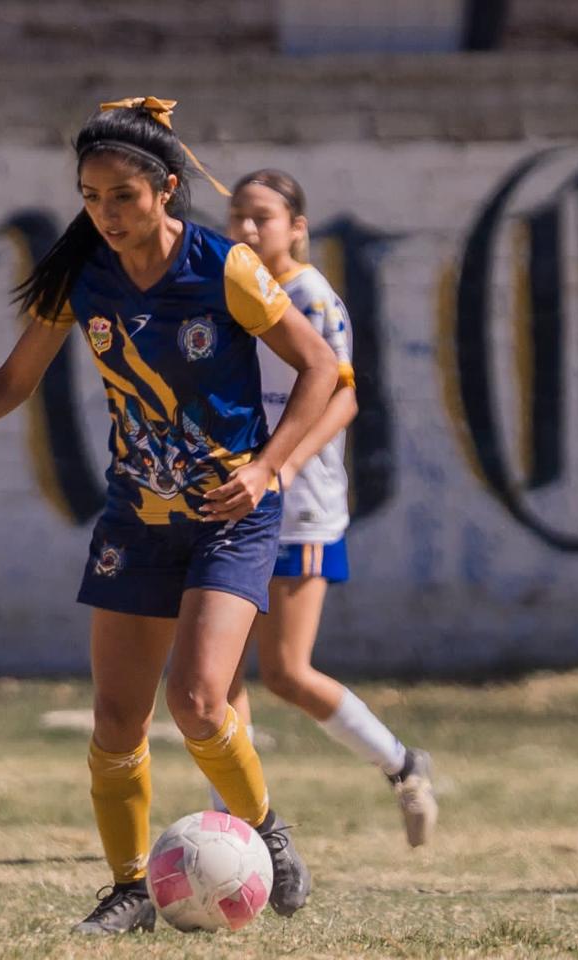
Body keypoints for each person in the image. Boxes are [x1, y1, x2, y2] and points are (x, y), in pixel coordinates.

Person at [0, 97, 340, 933]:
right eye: (91, 198)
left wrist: (268, 468)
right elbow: (13, 382)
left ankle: (266, 831)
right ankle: (130, 888)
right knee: (117, 719)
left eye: (123, 196)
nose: (107, 214)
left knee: (199, 701)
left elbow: (320, 370)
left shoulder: (224, 266)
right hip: (135, 519)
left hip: (229, 515)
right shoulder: (82, 277)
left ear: (166, 190)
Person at [212, 169, 437, 847]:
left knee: (285, 672)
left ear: (297, 228)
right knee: (218, 673)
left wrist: (281, 467)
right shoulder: (230, 290)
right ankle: (235, 825)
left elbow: (344, 397)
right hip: (236, 501)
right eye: (238, 215)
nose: (247, 228)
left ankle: (401, 764)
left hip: (298, 507)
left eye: (263, 217)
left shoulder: (309, 295)